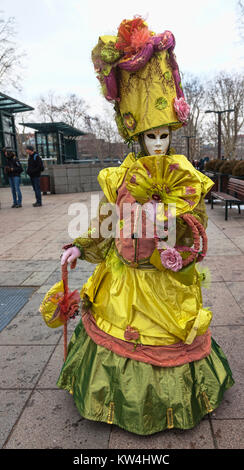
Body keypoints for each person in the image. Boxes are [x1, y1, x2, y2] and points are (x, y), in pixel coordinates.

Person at [55, 18, 234, 435]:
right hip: (126, 277)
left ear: (170, 133)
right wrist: (81, 246)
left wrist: (176, 230)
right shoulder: (119, 176)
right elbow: (105, 219)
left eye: (162, 136)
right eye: (149, 137)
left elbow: (197, 226)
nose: (157, 144)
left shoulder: (184, 173)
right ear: (136, 137)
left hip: (165, 274)